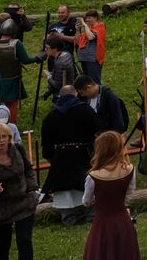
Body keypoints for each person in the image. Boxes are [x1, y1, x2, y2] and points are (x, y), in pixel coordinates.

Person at [0, 125, 38, 260]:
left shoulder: (18, 149)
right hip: (1, 209)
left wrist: (31, 188)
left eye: (4, 136)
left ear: (9, 137)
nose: (1, 141)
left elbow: (28, 169)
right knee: (3, 245)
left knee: (24, 241)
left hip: (24, 203)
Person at [42, 84, 100, 224]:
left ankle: (68, 218)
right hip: (83, 154)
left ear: (60, 97)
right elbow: (97, 132)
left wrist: (51, 157)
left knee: (64, 188)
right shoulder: (86, 110)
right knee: (89, 184)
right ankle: (91, 216)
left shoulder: (51, 116)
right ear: (75, 95)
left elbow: (46, 143)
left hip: (60, 157)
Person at [82, 130, 138, 260]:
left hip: (102, 224)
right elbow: (128, 196)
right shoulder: (129, 170)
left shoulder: (93, 176)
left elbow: (86, 201)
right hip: (123, 221)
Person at [75, 9, 107, 84]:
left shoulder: (100, 26)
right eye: (87, 18)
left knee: (95, 82)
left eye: (90, 18)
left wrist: (84, 25)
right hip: (84, 59)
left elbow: (90, 37)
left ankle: (98, 95)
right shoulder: (88, 29)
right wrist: (77, 30)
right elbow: (78, 41)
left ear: (95, 17)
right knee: (87, 83)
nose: (87, 20)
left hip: (93, 60)